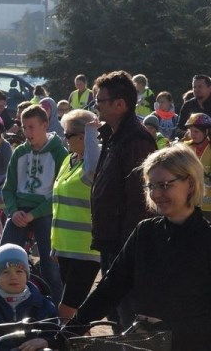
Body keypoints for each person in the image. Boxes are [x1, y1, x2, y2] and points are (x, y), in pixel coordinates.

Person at [68, 144, 211, 350]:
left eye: (164, 185)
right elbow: (110, 288)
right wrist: (65, 333)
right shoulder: (145, 232)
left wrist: (168, 331)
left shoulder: (206, 239)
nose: (156, 194)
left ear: (190, 183)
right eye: (151, 186)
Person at [89, 70, 157, 331]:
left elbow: (141, 200)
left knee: (130, 318)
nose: (96, 106)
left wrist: (129, 248)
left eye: (99, 101)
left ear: (120, 104)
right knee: (116, 316)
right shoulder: (113, 136)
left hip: (125, 246)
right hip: (112, 242)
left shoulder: (136, 140)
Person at [0, 104, 67, 305]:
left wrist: (34, 214)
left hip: (45, 212)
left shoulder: (59, 154)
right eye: (24, 127)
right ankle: (5, 305)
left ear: (44, 125)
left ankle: (57, 314)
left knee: (51, 268)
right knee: (4, 258)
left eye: (31, 127)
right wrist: (13, 211)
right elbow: (8, 189)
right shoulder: (19, 153)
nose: (27, 132)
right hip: (19, 212)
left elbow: (60, 194)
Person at [51, 109, 101, 321]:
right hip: (64, 247)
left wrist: (92, 134)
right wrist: (55, 246)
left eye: (69, 134)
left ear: (83, 137)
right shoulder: (68, 161)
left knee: (66, 310)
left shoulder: (93, 163)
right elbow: (58, 205)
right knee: (74, 313)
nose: (65, 138)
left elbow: (93, 167)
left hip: (84, 249)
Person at [0, 244, 58, 351]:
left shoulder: (43, 304)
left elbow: (56, 333)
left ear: (27, 275)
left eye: (19, 271)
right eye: (5, 272)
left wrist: (45, 341)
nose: (13, 277)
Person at [182, 113, 211, 217]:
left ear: (206, 132)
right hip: (189, 203)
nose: (193, 135)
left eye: (196, 131)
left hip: (208, 207)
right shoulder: (184, 147)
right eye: (191, 131)